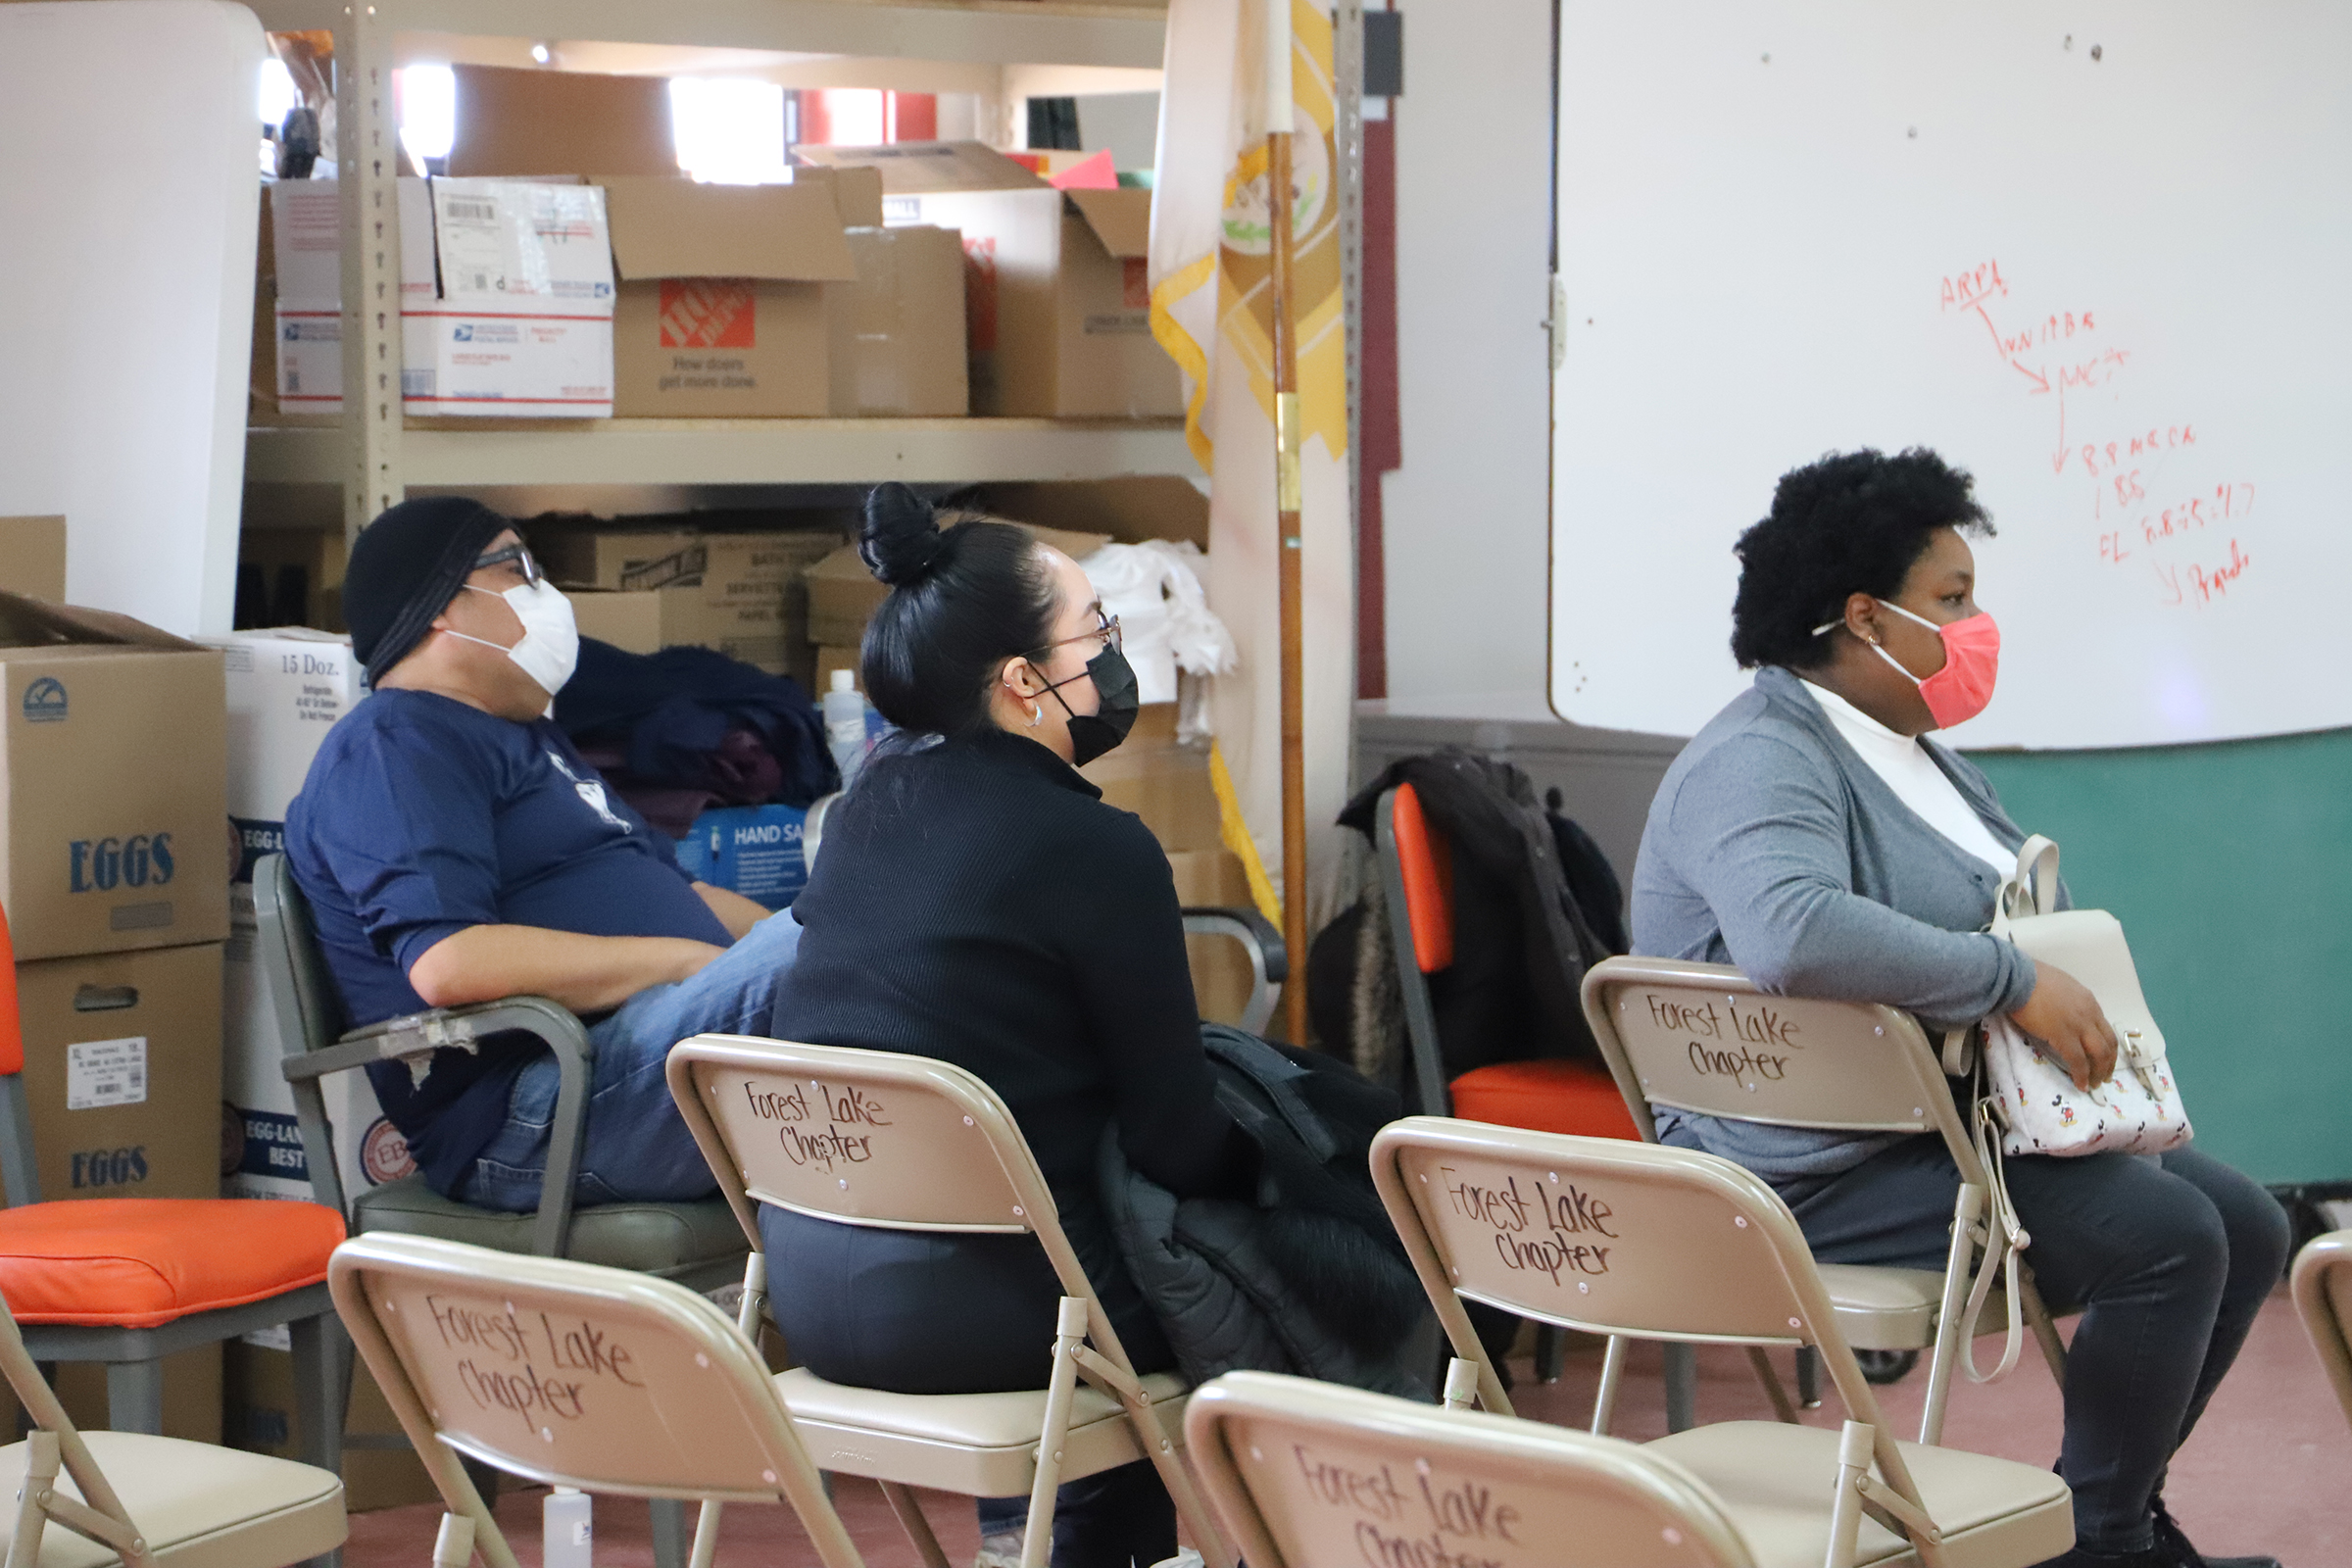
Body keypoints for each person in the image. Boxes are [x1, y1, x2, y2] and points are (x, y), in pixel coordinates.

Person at [1632, 449, 2289, 1568]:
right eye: (1951, 600)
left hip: (1927, 1123)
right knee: (2170, 1237)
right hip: (1803, 1163)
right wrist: (2014, 980)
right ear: (1861, 615)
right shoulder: (1761, 758)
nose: (1975, 625)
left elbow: (2007, 894)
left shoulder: (1914, 753)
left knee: (2248, 1221)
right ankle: (2105, 1543)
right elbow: (1791, 929)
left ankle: (2101, 1516)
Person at [765, 484, 1257, 1568]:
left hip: (813, 1290)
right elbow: (1177, 1136)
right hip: (1001, 1313)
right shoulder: (1100, 850)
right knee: (1274, 1250)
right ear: (1024, 681)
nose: (1118, 654)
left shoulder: (856, 820)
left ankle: (1034, 1543)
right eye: (1099, 631)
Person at [284, 496, 798, 1211]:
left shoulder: (530, 739)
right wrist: (689, 964)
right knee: (853, 961)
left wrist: (806, 933)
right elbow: (451, 964)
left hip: (640, 1057)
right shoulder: (396, 744)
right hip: (542, 1105)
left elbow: (683, 895)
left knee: (876, 938)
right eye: (520, 569)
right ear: (440, 604)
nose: (547, 596)